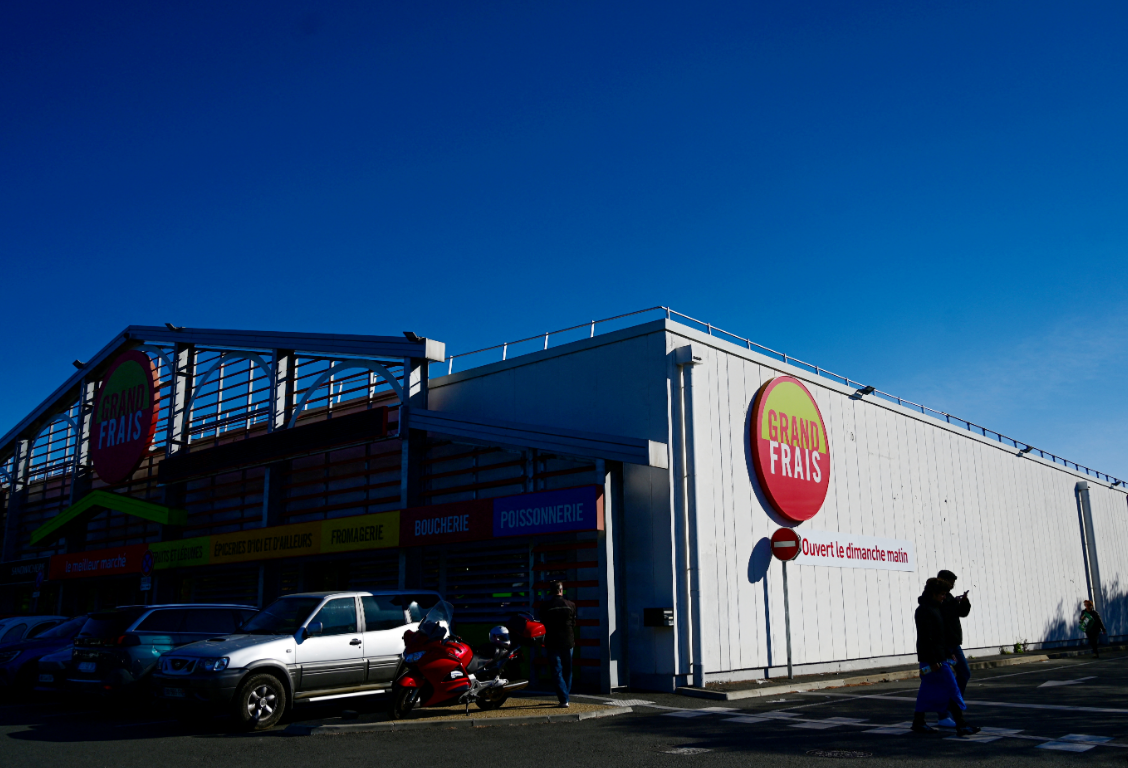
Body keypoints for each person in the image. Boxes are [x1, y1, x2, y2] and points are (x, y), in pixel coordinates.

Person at [912, 577, 979, 736]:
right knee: (952, 688)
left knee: (927, 690)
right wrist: (934, 660)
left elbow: (940, 636)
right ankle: (961, 724)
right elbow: (927, 638)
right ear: (933, 593)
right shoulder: (925, 611)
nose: (944, 597)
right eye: (942, 594)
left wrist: (948, 653)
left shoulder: (935, 608)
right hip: (934, 660)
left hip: (935, 658)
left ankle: (918, 721)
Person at [936, 569, 971, 728]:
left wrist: (963, 602)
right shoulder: (938, 599)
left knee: (963, 673)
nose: (952, 585)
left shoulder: (948, 598)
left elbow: (960, 613)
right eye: (950, 582)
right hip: (945, 644)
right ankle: (945, 712)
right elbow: (941, 622)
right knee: (944, 679)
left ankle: (951, 707)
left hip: (953, 643)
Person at [538, 580, 577, 708]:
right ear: (561, 590)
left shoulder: (545, 606)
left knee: (556, 671)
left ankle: (564, 698)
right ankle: (565, 695)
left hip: (552, 641)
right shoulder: (571, 605)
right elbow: (573, 623)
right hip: (568, 641)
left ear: (551, 591)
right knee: (568, 670)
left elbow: (543, 623)